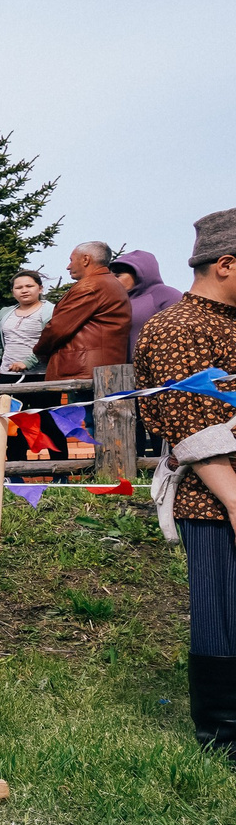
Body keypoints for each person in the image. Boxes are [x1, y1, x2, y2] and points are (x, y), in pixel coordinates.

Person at [135, 211, 236, 756]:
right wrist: (234, 500)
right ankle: (224, 739)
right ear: (226, 264)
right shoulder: (178, 327)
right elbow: (191, 426)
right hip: (214, 497)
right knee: (222, 615)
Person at [35, 242, 133, 381]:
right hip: (103, 370)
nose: (68, 266)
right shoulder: (111, 283)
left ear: (86, 260)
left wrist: (39, 351)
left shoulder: (90, 286)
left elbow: (58, 328)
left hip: (80, 371)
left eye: (71, 260)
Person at [111, 249, 184, 352]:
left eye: (118, 276)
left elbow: (184, 330)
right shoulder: (116, 302)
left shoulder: (166, 295)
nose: (112, 280)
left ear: (139, 273)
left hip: (160, 360)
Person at [0, 270, 53, 381]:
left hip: (41, 375)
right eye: (18, 288)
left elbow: (53, 342)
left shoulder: (52, 311)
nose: (24, 291)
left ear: (40, 288)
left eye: (29, 286)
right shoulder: (4, 313)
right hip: (7, 374)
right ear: (13, 292)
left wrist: (28, 362)